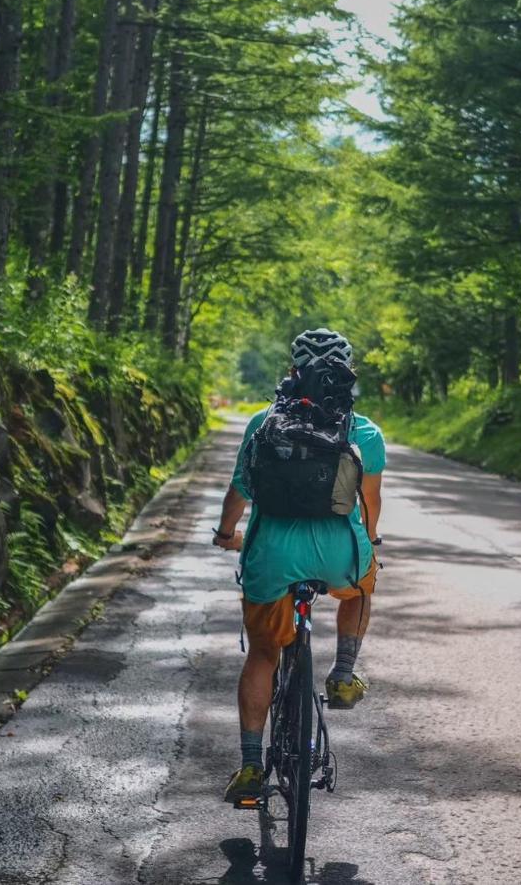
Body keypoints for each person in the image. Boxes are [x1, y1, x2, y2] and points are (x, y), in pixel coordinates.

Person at [212, 328, 385, 804]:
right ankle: (344, 672)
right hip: (339, 557)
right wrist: (368, 544)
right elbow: (369, 503)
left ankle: (250, 766)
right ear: (347, 375)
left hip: (271, 556)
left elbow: (239, 493)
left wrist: (227, 535)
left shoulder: (263, 423)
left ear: (293, 371)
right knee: (364, 585)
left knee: (264, 654)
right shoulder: (364, 431)